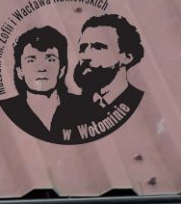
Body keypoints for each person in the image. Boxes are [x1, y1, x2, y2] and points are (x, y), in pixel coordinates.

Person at [61, 12, 148, 142]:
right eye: (83, 48)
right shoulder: (70, 111)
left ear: (127, 57)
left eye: (98, 47)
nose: (85, 56)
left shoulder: (140, 103)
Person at [0, 25, 71, 142]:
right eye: (31, 60)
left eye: (50, 59)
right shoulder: (6, 109)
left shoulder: (83, 108)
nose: (41, 68)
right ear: (20, 71)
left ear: (61, 70)